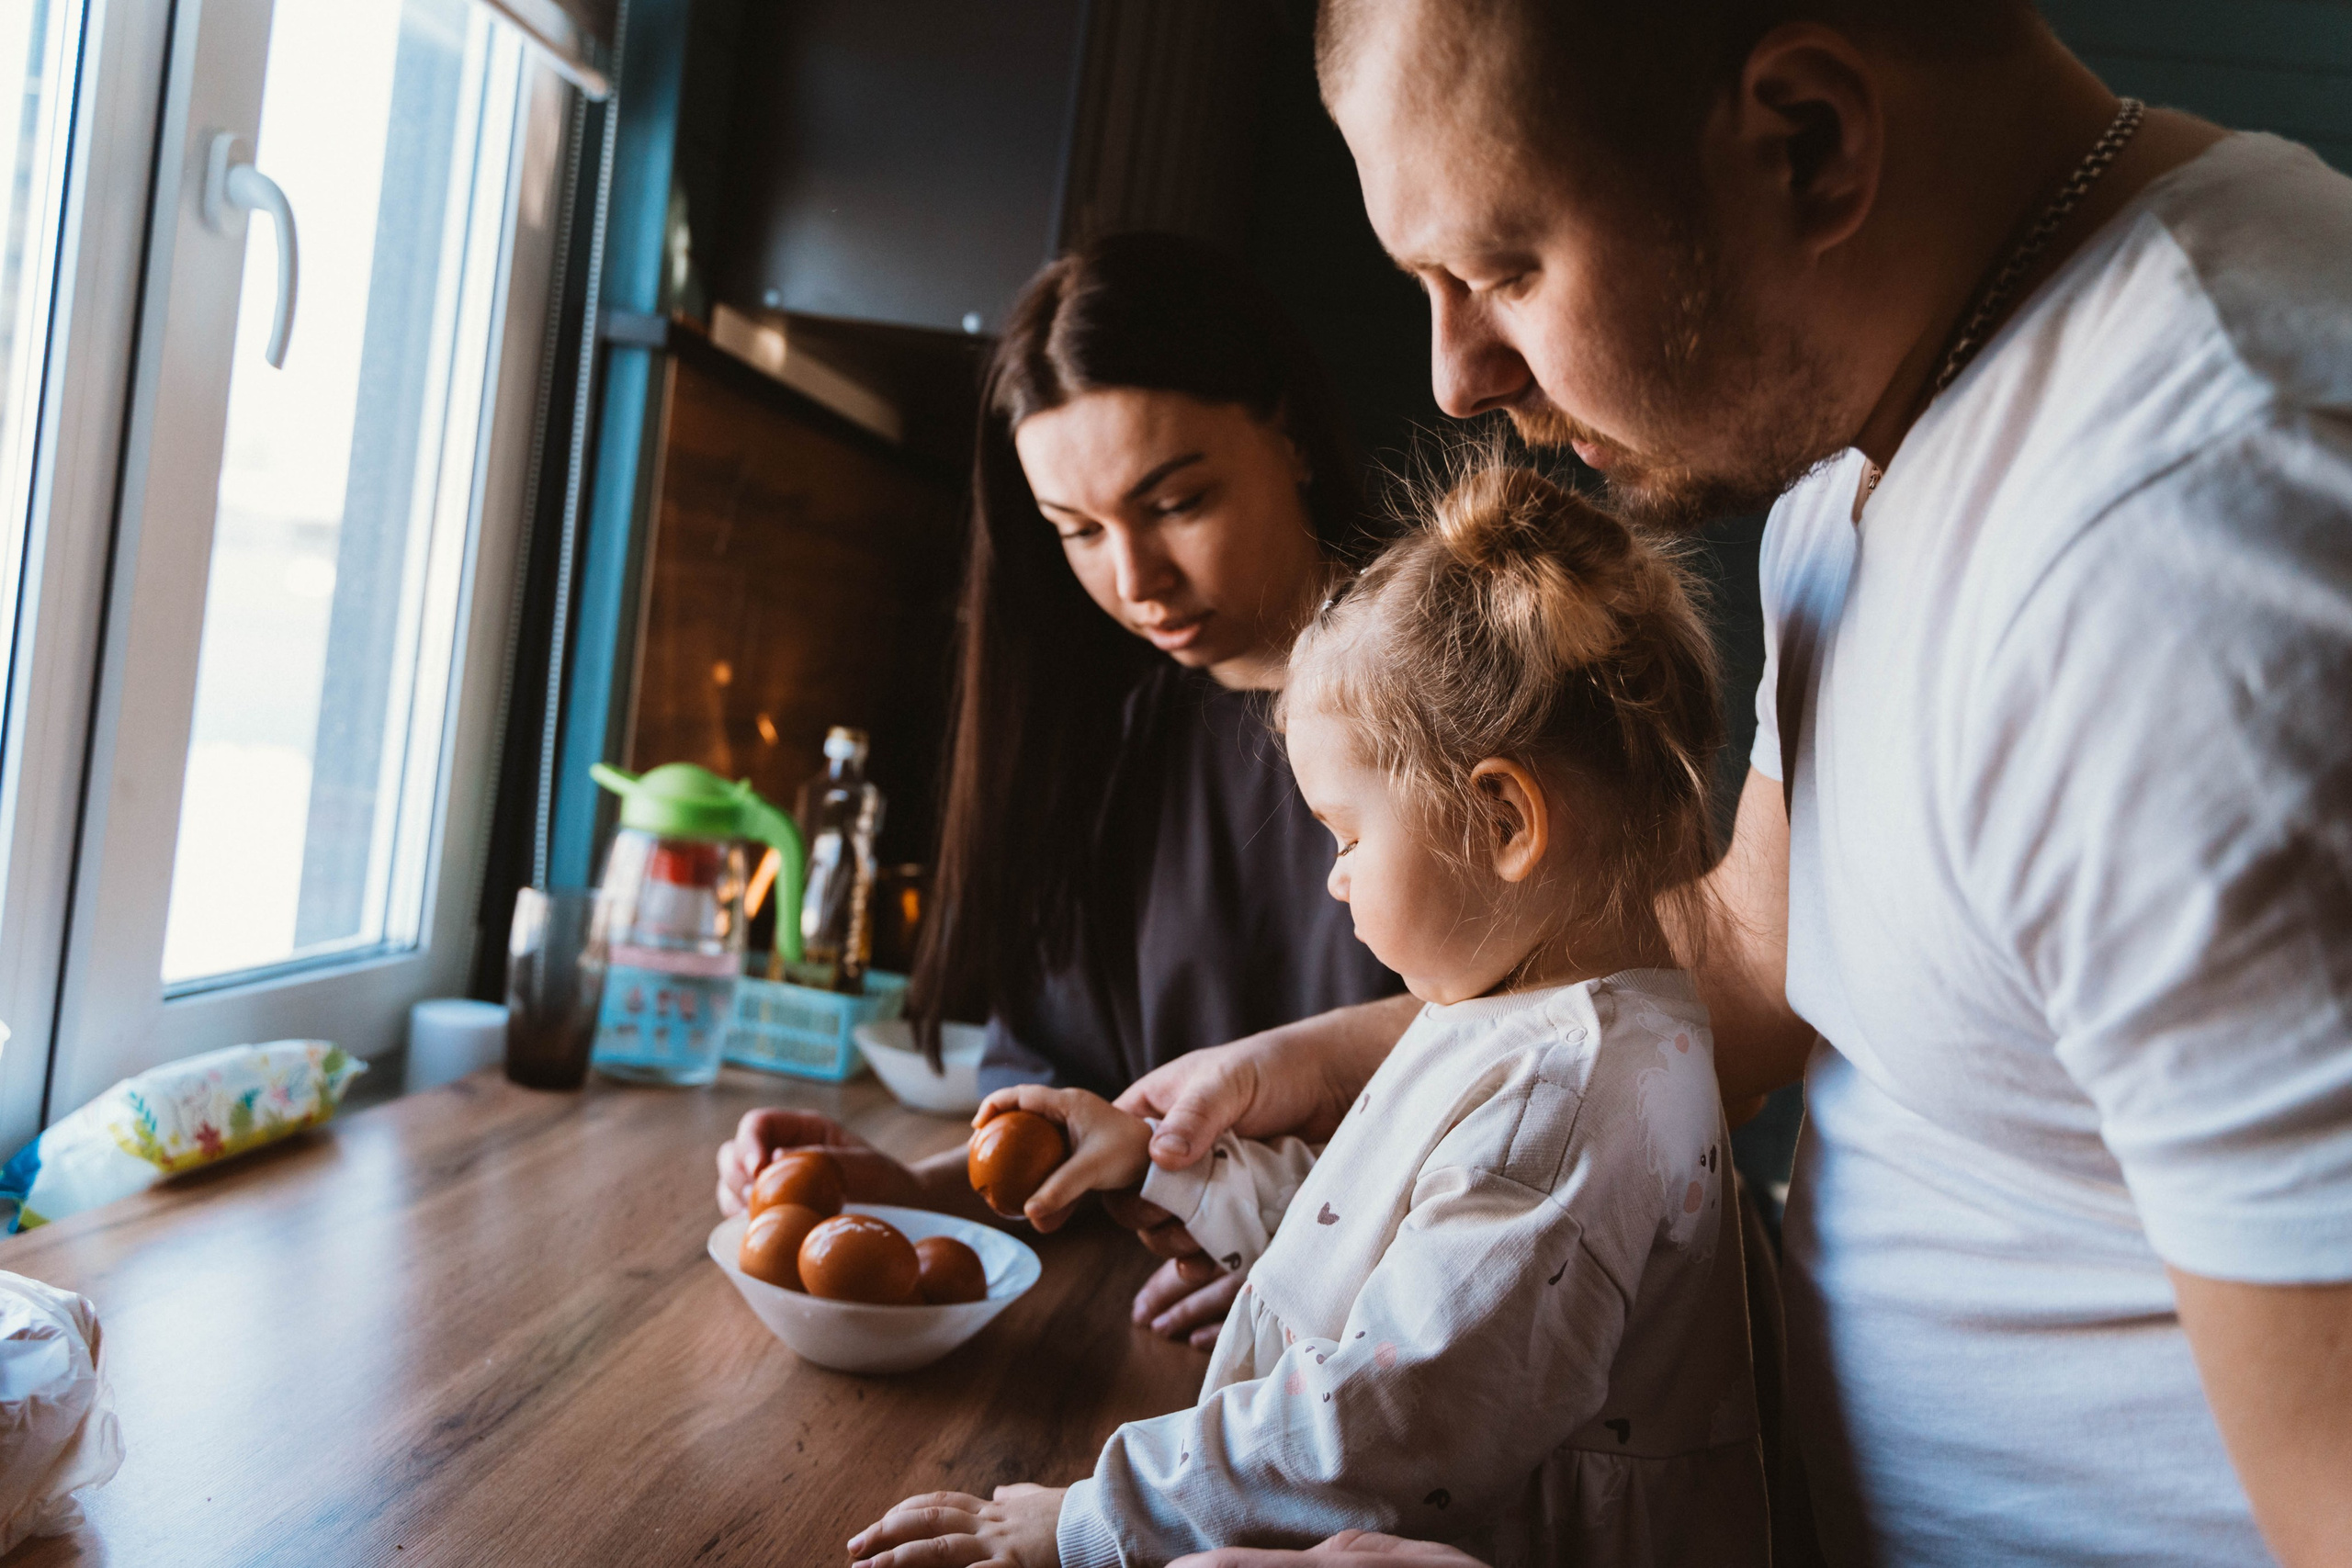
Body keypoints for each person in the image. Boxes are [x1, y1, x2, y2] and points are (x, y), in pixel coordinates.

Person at [1119, 3, 2352, 1565]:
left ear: (1809, 142)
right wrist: (1337, 1094)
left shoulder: (2202, 550)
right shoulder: (1862, 472)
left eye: (1503, 272)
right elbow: (1757, 969)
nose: (1453, 371)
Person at [846, 460, 1765, 1568]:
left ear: (1506, 821)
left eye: (1347, 835)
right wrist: (1163, 1165)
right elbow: (1376, 1225)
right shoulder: (1525, 1019)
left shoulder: (1558, 1098)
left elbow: (1385, 1432)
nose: (1333, 879)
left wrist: (1089, 1521)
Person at [712, 232, 1403, 1346]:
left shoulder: (1471, 692)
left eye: (1176, 503)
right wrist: (913, 1189)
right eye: (1078, 532)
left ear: (1286, 432)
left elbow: (1566, 1056)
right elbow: (1084, 1120)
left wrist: (1326, 1245)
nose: (1134, 584)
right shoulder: (1116, 747)